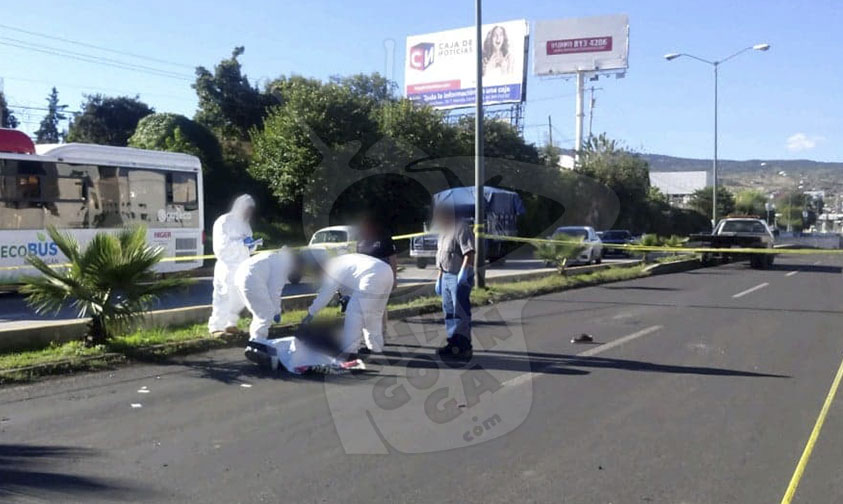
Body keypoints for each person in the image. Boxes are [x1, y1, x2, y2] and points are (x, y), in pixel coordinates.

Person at [302, 253, 394, 358]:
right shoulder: (340, 261)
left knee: (354, 314)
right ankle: (375, 348)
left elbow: (326, 294)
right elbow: (353, 281)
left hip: (371, 275)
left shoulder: (332, 269)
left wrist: (311, 312)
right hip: (386, 270)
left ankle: (350, 352)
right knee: (374, 315)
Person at [207, 194, 261, 336]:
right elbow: (221, 247)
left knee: (238, 298)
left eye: (251, 210)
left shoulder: (245, 224)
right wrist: (241, 243)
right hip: (226, 266)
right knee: (223, 296)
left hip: (241, 266)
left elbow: (248, 246)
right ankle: (216, 327)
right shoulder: (224, 221)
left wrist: (252, 245)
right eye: (247, 209)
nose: (248, 212)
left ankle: (230, 324)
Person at [433, 205, 475, 359]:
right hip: (445, 276)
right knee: (449, 311)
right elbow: (441, 256)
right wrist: (439, 278)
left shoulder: (461, 228)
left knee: (460, 312)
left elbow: (469, 252)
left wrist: (464, 272)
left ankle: (463, 346)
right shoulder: (443, 231)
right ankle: (453, 344)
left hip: (458, 275)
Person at [233, 248, 295, 341]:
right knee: (266, 314)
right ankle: (258, 343)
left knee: (259, 315)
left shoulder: (273, 257)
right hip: (251, 279)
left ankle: (255, 341)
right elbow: (274, 292)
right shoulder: (283, 265)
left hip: (239, 277)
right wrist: (277, 312)